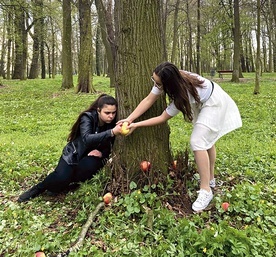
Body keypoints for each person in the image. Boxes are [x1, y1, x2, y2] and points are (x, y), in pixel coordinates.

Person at [119, 62, 242, 212]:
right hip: (202, 100)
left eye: (157, 83)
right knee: (206, 141)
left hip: (214, 103)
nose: (155, 84)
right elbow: (148, 100)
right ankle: (210, 180)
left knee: (198, 142)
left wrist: (137, 125)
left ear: (168, 84)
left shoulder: (182, 92)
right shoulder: (170, 77)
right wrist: (129, 120)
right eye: (154, 80)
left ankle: (206, 190)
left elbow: (162, 118)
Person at [18, 94, 122, 202]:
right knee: (61, 177)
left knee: (88, 167)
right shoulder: (88, 117)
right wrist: (112, 132)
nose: (111, 116)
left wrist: (102, 153)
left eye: (113, 113)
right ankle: (39, 188)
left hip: (91, 156)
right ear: (98, 110)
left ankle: (67, 184)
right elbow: (87, 138)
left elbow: (112, 144)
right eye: (107, 113)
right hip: (74, 153)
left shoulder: (114, 123)